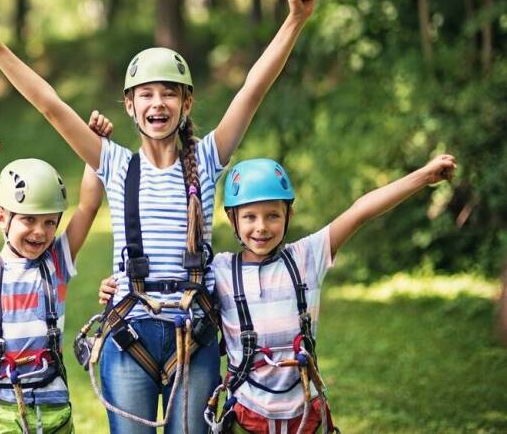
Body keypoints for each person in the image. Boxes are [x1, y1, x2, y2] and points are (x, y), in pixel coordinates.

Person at [0, 0, 316, 433]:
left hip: (195, 334)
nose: (158, 103)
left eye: (169, 94)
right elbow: (50, 106)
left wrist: (294, 21)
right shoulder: (113, 163)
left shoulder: (207, 160)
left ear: (186, 104)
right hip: (129, 335)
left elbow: (252, 90)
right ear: (130, 105)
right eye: (146, 94)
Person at [103, 154, 457, 433]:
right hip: (246, 416)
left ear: (289, 214)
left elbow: (360, 211)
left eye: (273, 215)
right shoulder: (221, 270)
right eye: (251, 217)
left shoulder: (307, 257)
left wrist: (423, 177)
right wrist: (115, 287)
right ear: (233, 219)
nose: (262, 227)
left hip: (305, 414)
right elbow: (169, 283)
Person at [0, 117, 111, 434]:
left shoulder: (56, 263)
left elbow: (88, 206)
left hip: (54, 407)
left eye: (49, 222)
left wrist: (94, 147)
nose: (40, 232)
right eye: (29, 220)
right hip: (2, 411)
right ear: (2, 218)